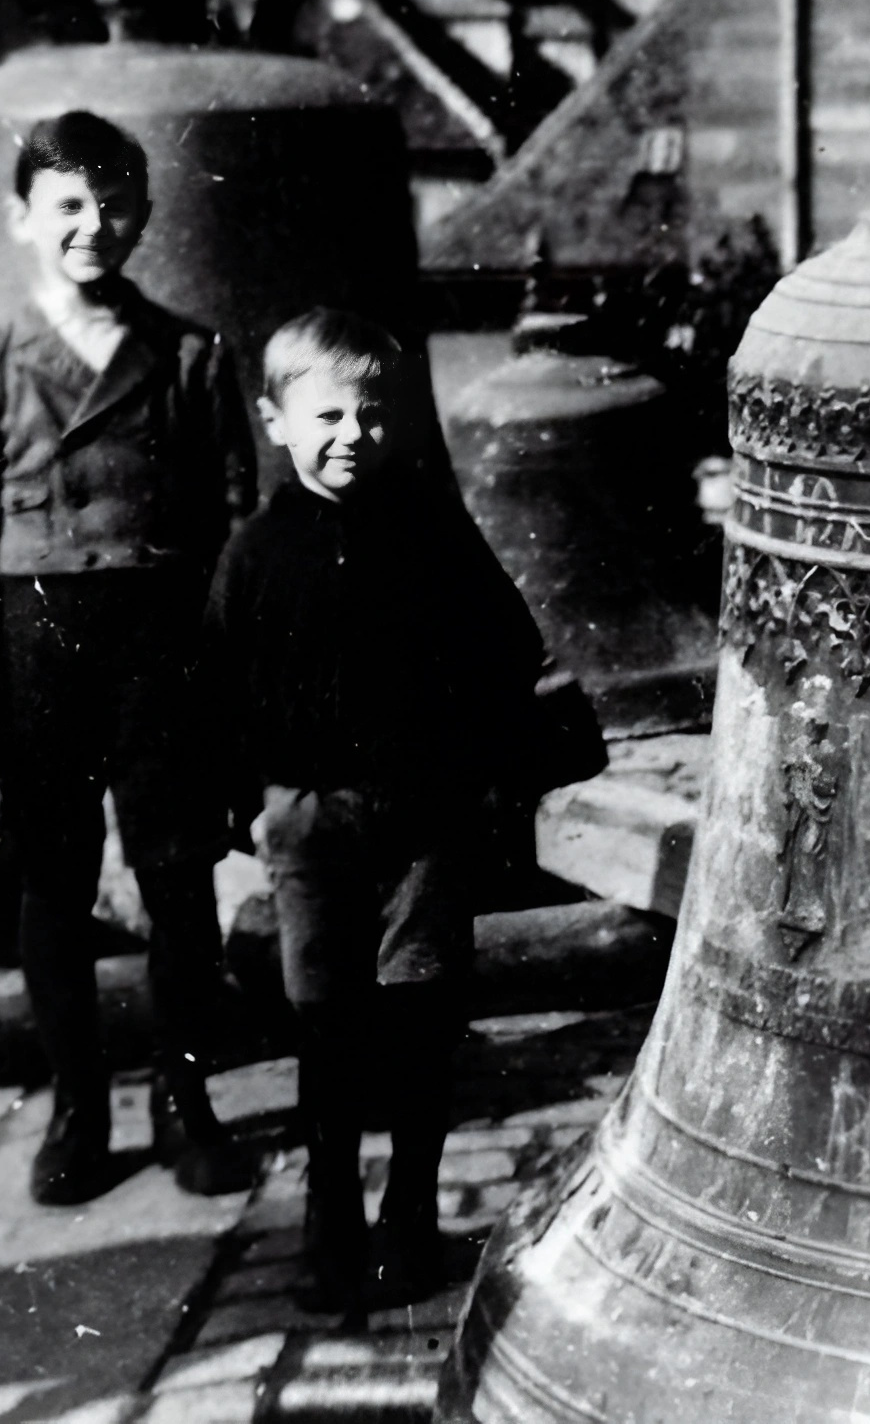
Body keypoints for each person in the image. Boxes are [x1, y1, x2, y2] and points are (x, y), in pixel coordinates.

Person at [0, 110, 260, 1205]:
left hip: (161, 648)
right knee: (54, 882)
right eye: (68, 205)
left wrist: (231, 674)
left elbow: (232, 525)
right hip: (40, 647)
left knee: (178, 879)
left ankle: (184, 1098)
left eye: (114, 205)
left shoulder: (191, 355)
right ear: (22, 218)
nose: (92, 226)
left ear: (144, 216)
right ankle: (78, 1108)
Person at [204, 309, 547, 1317]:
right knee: (328, 1025)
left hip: (423, 817)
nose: (352, 435)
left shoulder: (429, 527)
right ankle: (331, 1226)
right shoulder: (256, 552)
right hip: (312, 822)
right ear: (276, 422)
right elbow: (218, 689)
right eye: (326, 416)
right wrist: (248, 805)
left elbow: (510, 643)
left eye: (372, 413)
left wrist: (476, 766)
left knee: (421, 1016)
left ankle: (408, 1216)